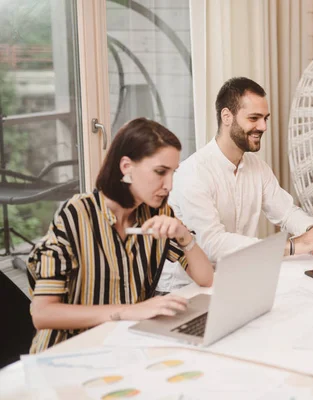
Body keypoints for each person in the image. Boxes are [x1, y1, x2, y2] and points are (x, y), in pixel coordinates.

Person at [26, 118, 214, 354]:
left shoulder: (157, 213)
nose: (169, 185)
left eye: (173, 173)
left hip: (121, 346)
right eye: (160, 172)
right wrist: (128, 311)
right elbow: (43, 314)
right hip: (68, 353)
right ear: (126, 166)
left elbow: (207, 278)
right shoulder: (78, 213)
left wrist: (183, 235)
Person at [166, 76, 313, 271]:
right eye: (254, 118)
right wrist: (292, 246)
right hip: (186, 289)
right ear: (227, 116)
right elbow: (212, 245)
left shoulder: (257, 167)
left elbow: (286, 212)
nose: (263, 127)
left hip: (236, 276)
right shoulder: (193, 173)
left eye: (265, 118)